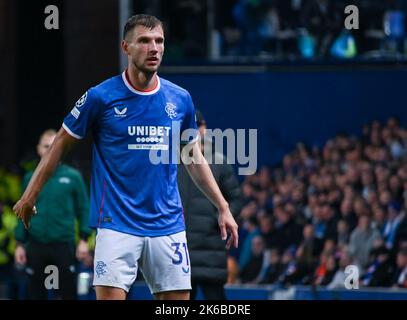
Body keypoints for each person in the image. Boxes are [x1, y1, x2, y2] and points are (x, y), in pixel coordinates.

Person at [13, 14, 238, 301]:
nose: (153, 48)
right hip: (116, 225)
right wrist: (30, 195)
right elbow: (59, 144)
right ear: (126, 47)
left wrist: (222, 206)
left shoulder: (180, 99)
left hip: (167, 226)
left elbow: (193, 157)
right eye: (144, 41)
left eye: (159, 41)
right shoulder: (100, 97)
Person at [14, 129, 91, 299]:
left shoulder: (73, 177)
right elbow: (22, 212)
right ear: (38, 149)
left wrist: (84, 240)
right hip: (36, 245)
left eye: (54, 146)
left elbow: (84, 209)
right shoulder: (29, 178)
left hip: (63, 245)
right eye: (46, 146)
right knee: (35, 294)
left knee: (65, 295)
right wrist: (20, 243)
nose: (50, 150)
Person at [177, 109, 243, 300]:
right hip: (181, 249)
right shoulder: (173, 161)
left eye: (197, 126)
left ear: (204, 128)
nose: (194, 131)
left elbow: (236, 199)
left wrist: (217, 220)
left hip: (210, 247)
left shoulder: (219, 162)